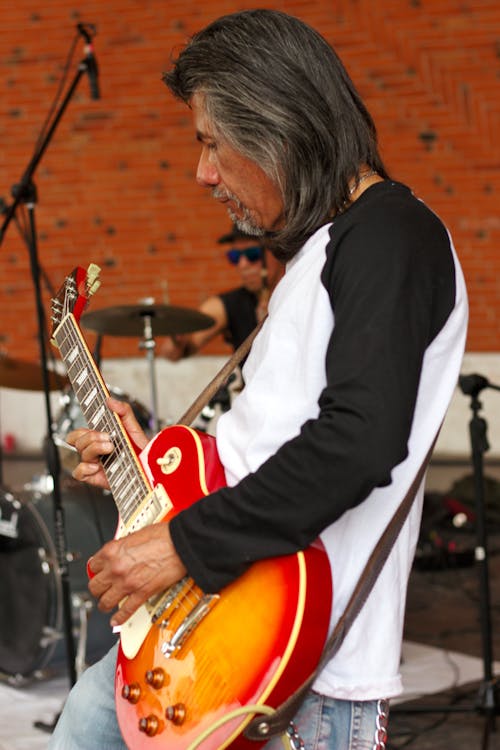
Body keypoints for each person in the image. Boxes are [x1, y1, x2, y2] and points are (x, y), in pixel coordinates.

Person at [49, 9, 468, 750]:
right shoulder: (320, 252)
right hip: (204, 635)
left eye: (211, 142)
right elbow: (263, 449)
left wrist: (178, 542)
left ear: (277, 123)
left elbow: (360, 441)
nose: (202, 172)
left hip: (292, 677)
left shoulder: (390, 236)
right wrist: (143, 463)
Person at [161, 225, 283, 361]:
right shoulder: (233, 303)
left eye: (252, 254)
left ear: (277, 252)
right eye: (235, 257)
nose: (242, 265)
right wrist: (177, 343)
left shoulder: (299, 291)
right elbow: (181, 346)